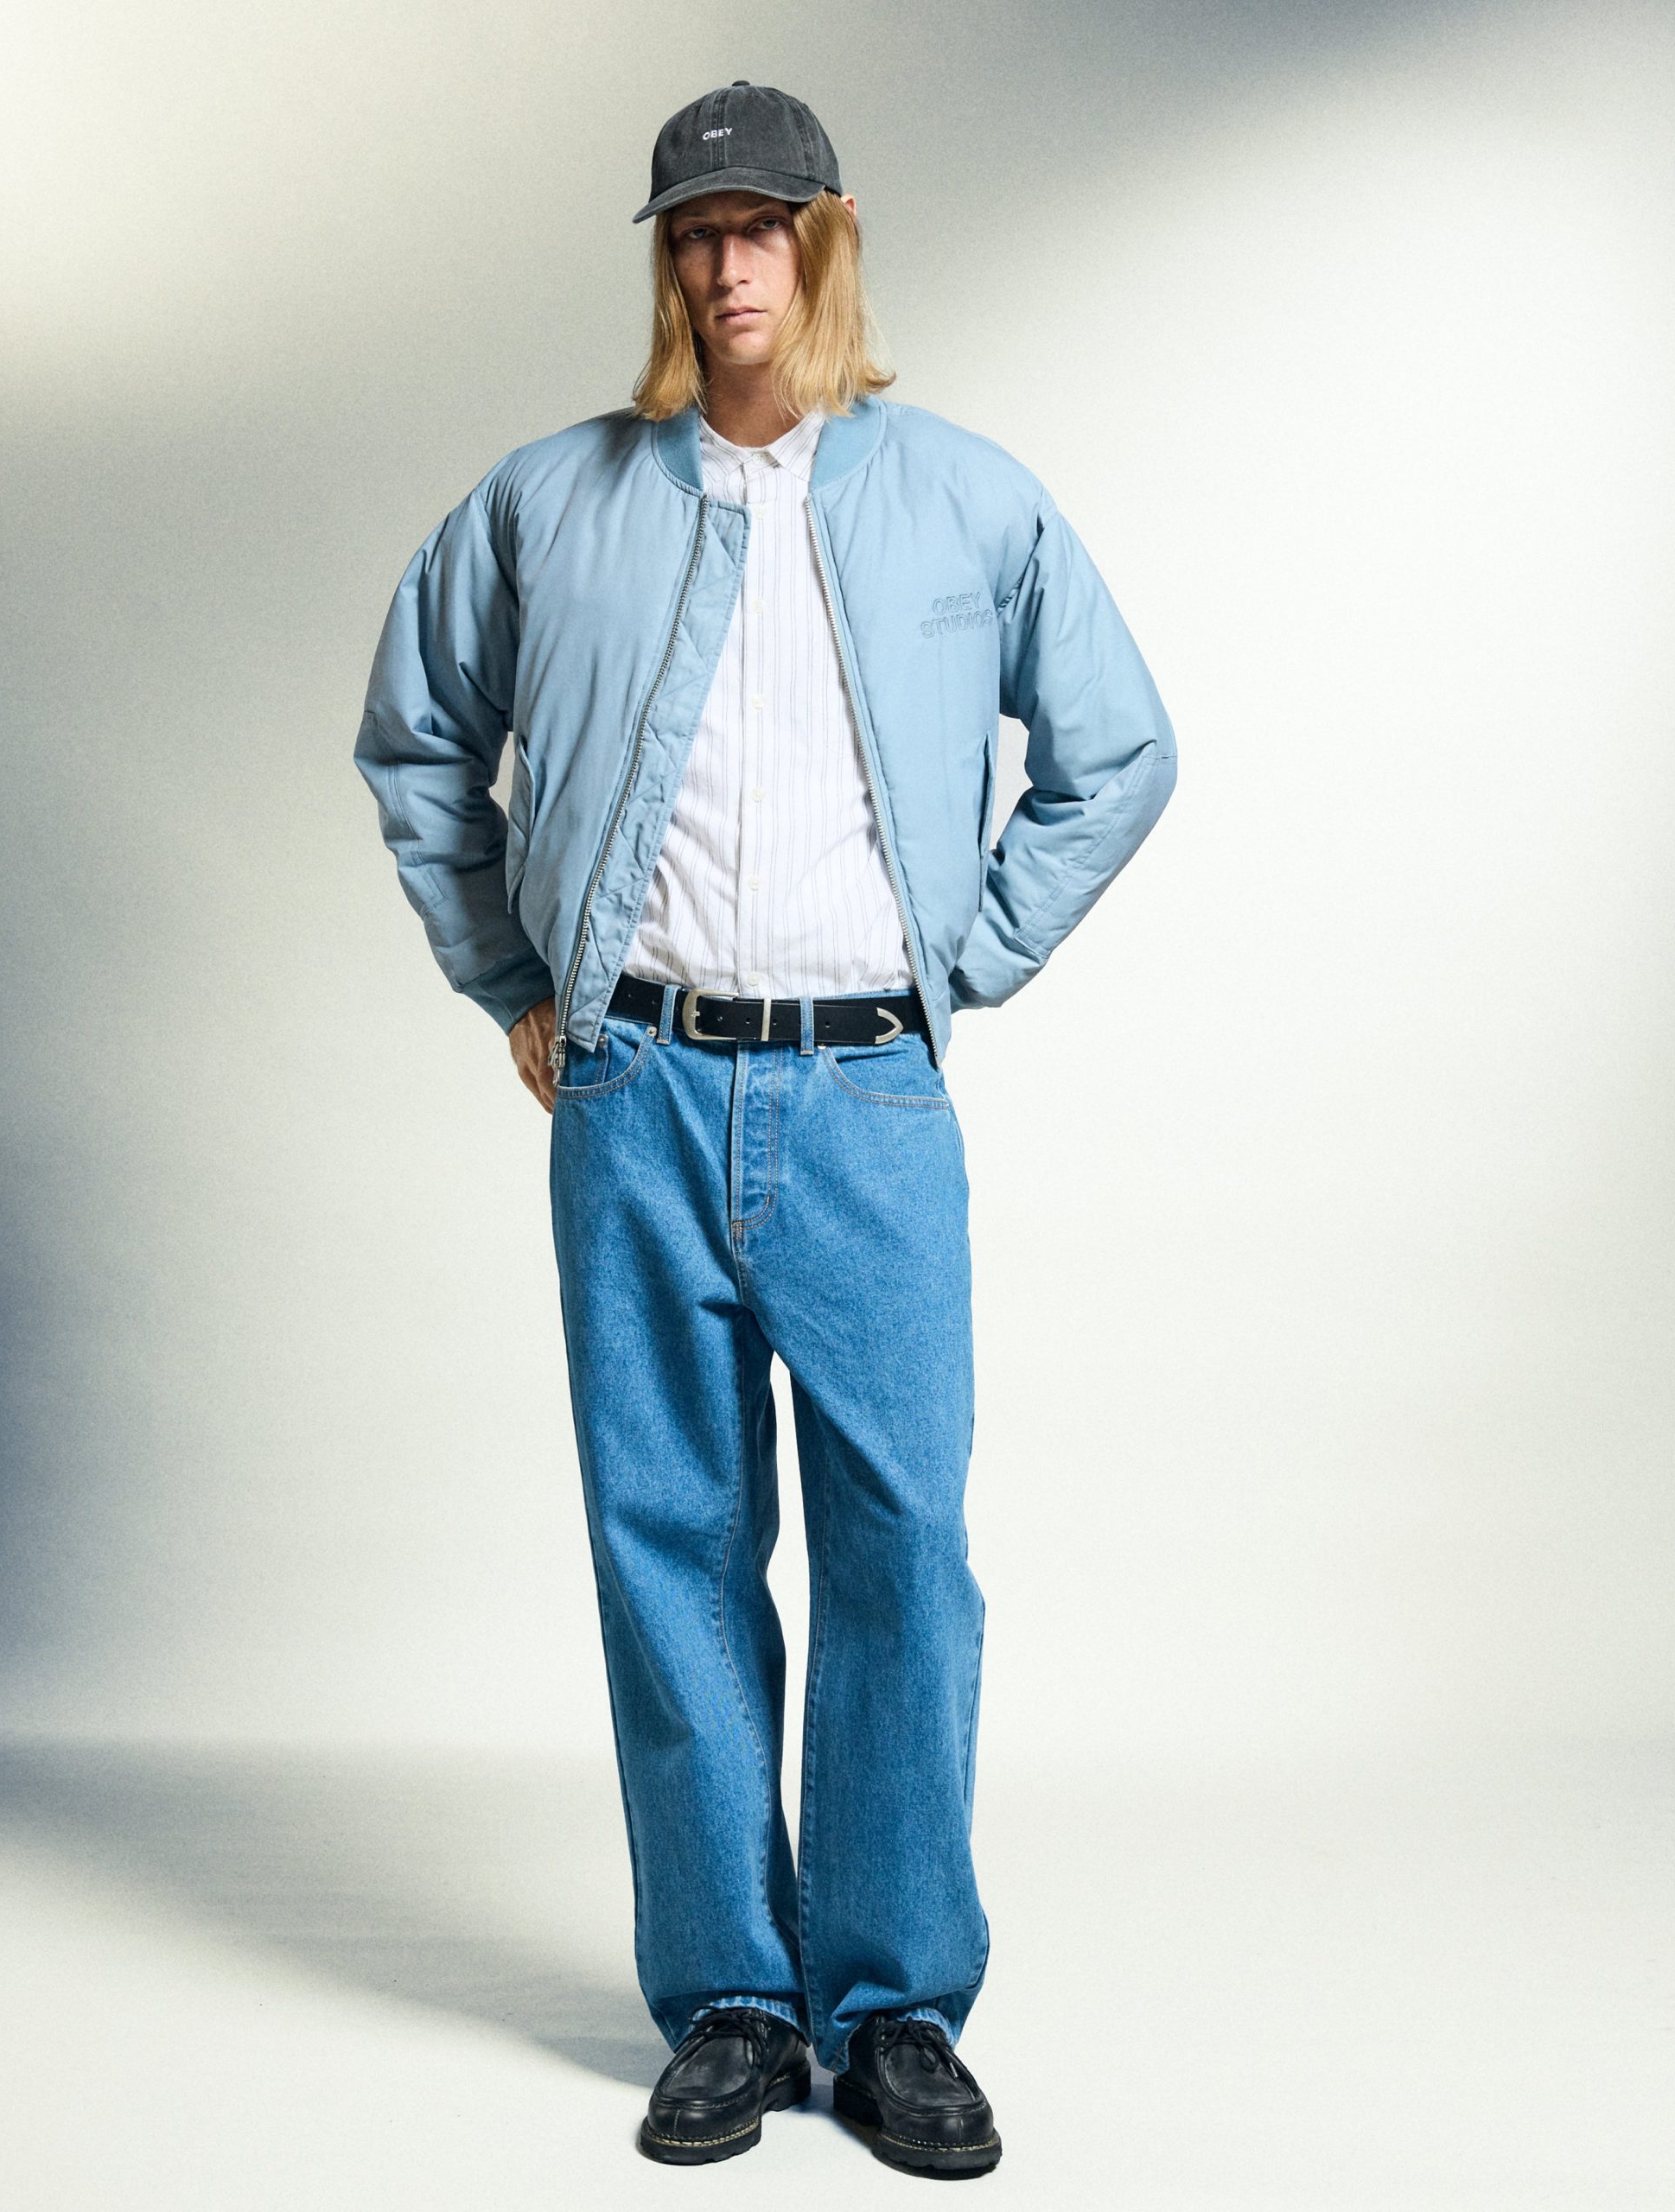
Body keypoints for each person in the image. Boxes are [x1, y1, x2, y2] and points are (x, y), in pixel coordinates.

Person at [353, 79, 1175, 2179]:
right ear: (666, 261)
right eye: (692, 234)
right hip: (632, 1088)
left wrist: (966, 959)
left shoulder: (963, 499)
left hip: (869, 1094)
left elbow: (1116, 749)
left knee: (902, 1551)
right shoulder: (551, 499)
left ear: (827, 240)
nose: (725, 266)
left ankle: (891, 2006)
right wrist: (512, 979)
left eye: (758, 228)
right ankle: (729, 1992)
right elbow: (419, 736)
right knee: (673, 1544)